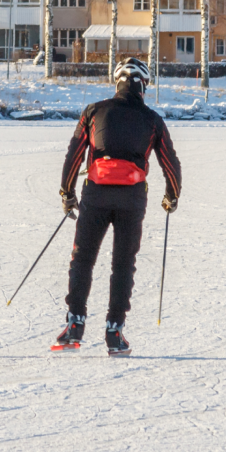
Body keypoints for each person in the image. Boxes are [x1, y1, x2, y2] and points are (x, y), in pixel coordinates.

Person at [54, 57, 181, 356]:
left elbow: (73, 155)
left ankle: (74, 325)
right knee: (123, 265)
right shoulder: (153, 120)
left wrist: (67, 193)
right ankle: (114, 332)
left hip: (95, 195)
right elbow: (169, 163)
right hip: (132, 199)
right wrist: (171, 196)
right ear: (143, 86)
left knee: (82, 259)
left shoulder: (94, 111)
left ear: (117, 82)